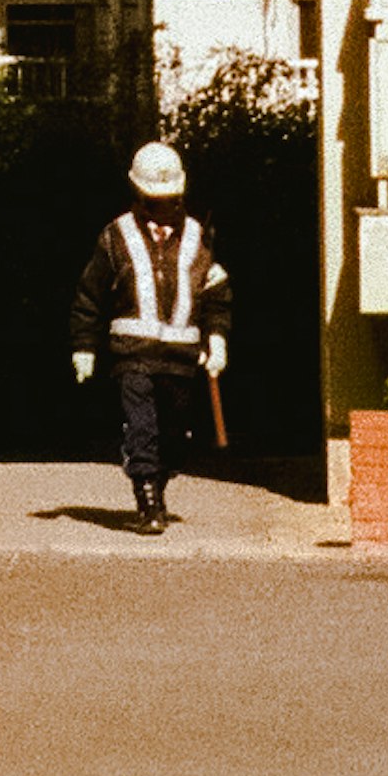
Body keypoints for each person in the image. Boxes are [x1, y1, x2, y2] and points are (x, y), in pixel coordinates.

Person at [69, 137, 229, 530]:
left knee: (175, 435)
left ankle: (159, 477)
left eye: (172, 200)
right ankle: (149, 503)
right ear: (138, 195)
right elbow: (89, 295)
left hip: (181, 357)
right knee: (141, 426)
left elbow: (216, 294)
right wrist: (84, 346)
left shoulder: (197, 237)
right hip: (133, 354)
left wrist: (217, 338)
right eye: (155, 202)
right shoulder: (115, 237)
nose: (165, 211)